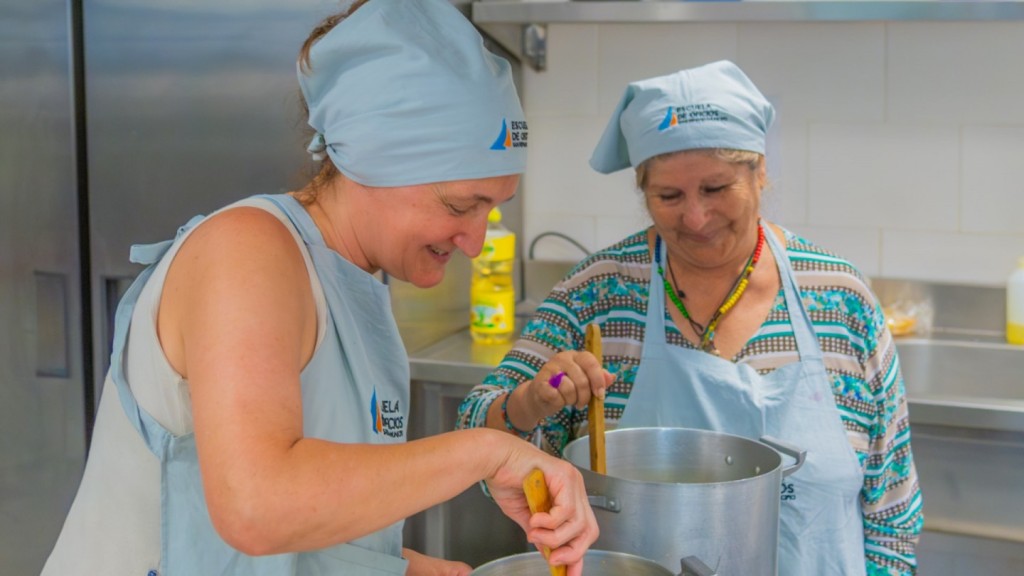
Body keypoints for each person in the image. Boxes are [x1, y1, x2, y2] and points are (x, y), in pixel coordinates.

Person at [41, 1, 598, 575]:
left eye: (493, 208)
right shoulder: (248, 252)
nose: (477, 243)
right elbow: (257, 507)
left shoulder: (351, 285)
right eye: (461, 205)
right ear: (375, 160)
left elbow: (284, 518)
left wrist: (402, 568)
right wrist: (489, 453)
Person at [456, 60, 923, 575]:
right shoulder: (599, 296)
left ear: (760, 171)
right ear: (642, 191)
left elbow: (892, 516)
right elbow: (474, 431)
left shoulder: (841, 303)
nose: (696, 218)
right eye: (669, 196)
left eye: (717, 188)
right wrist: (529, 402)